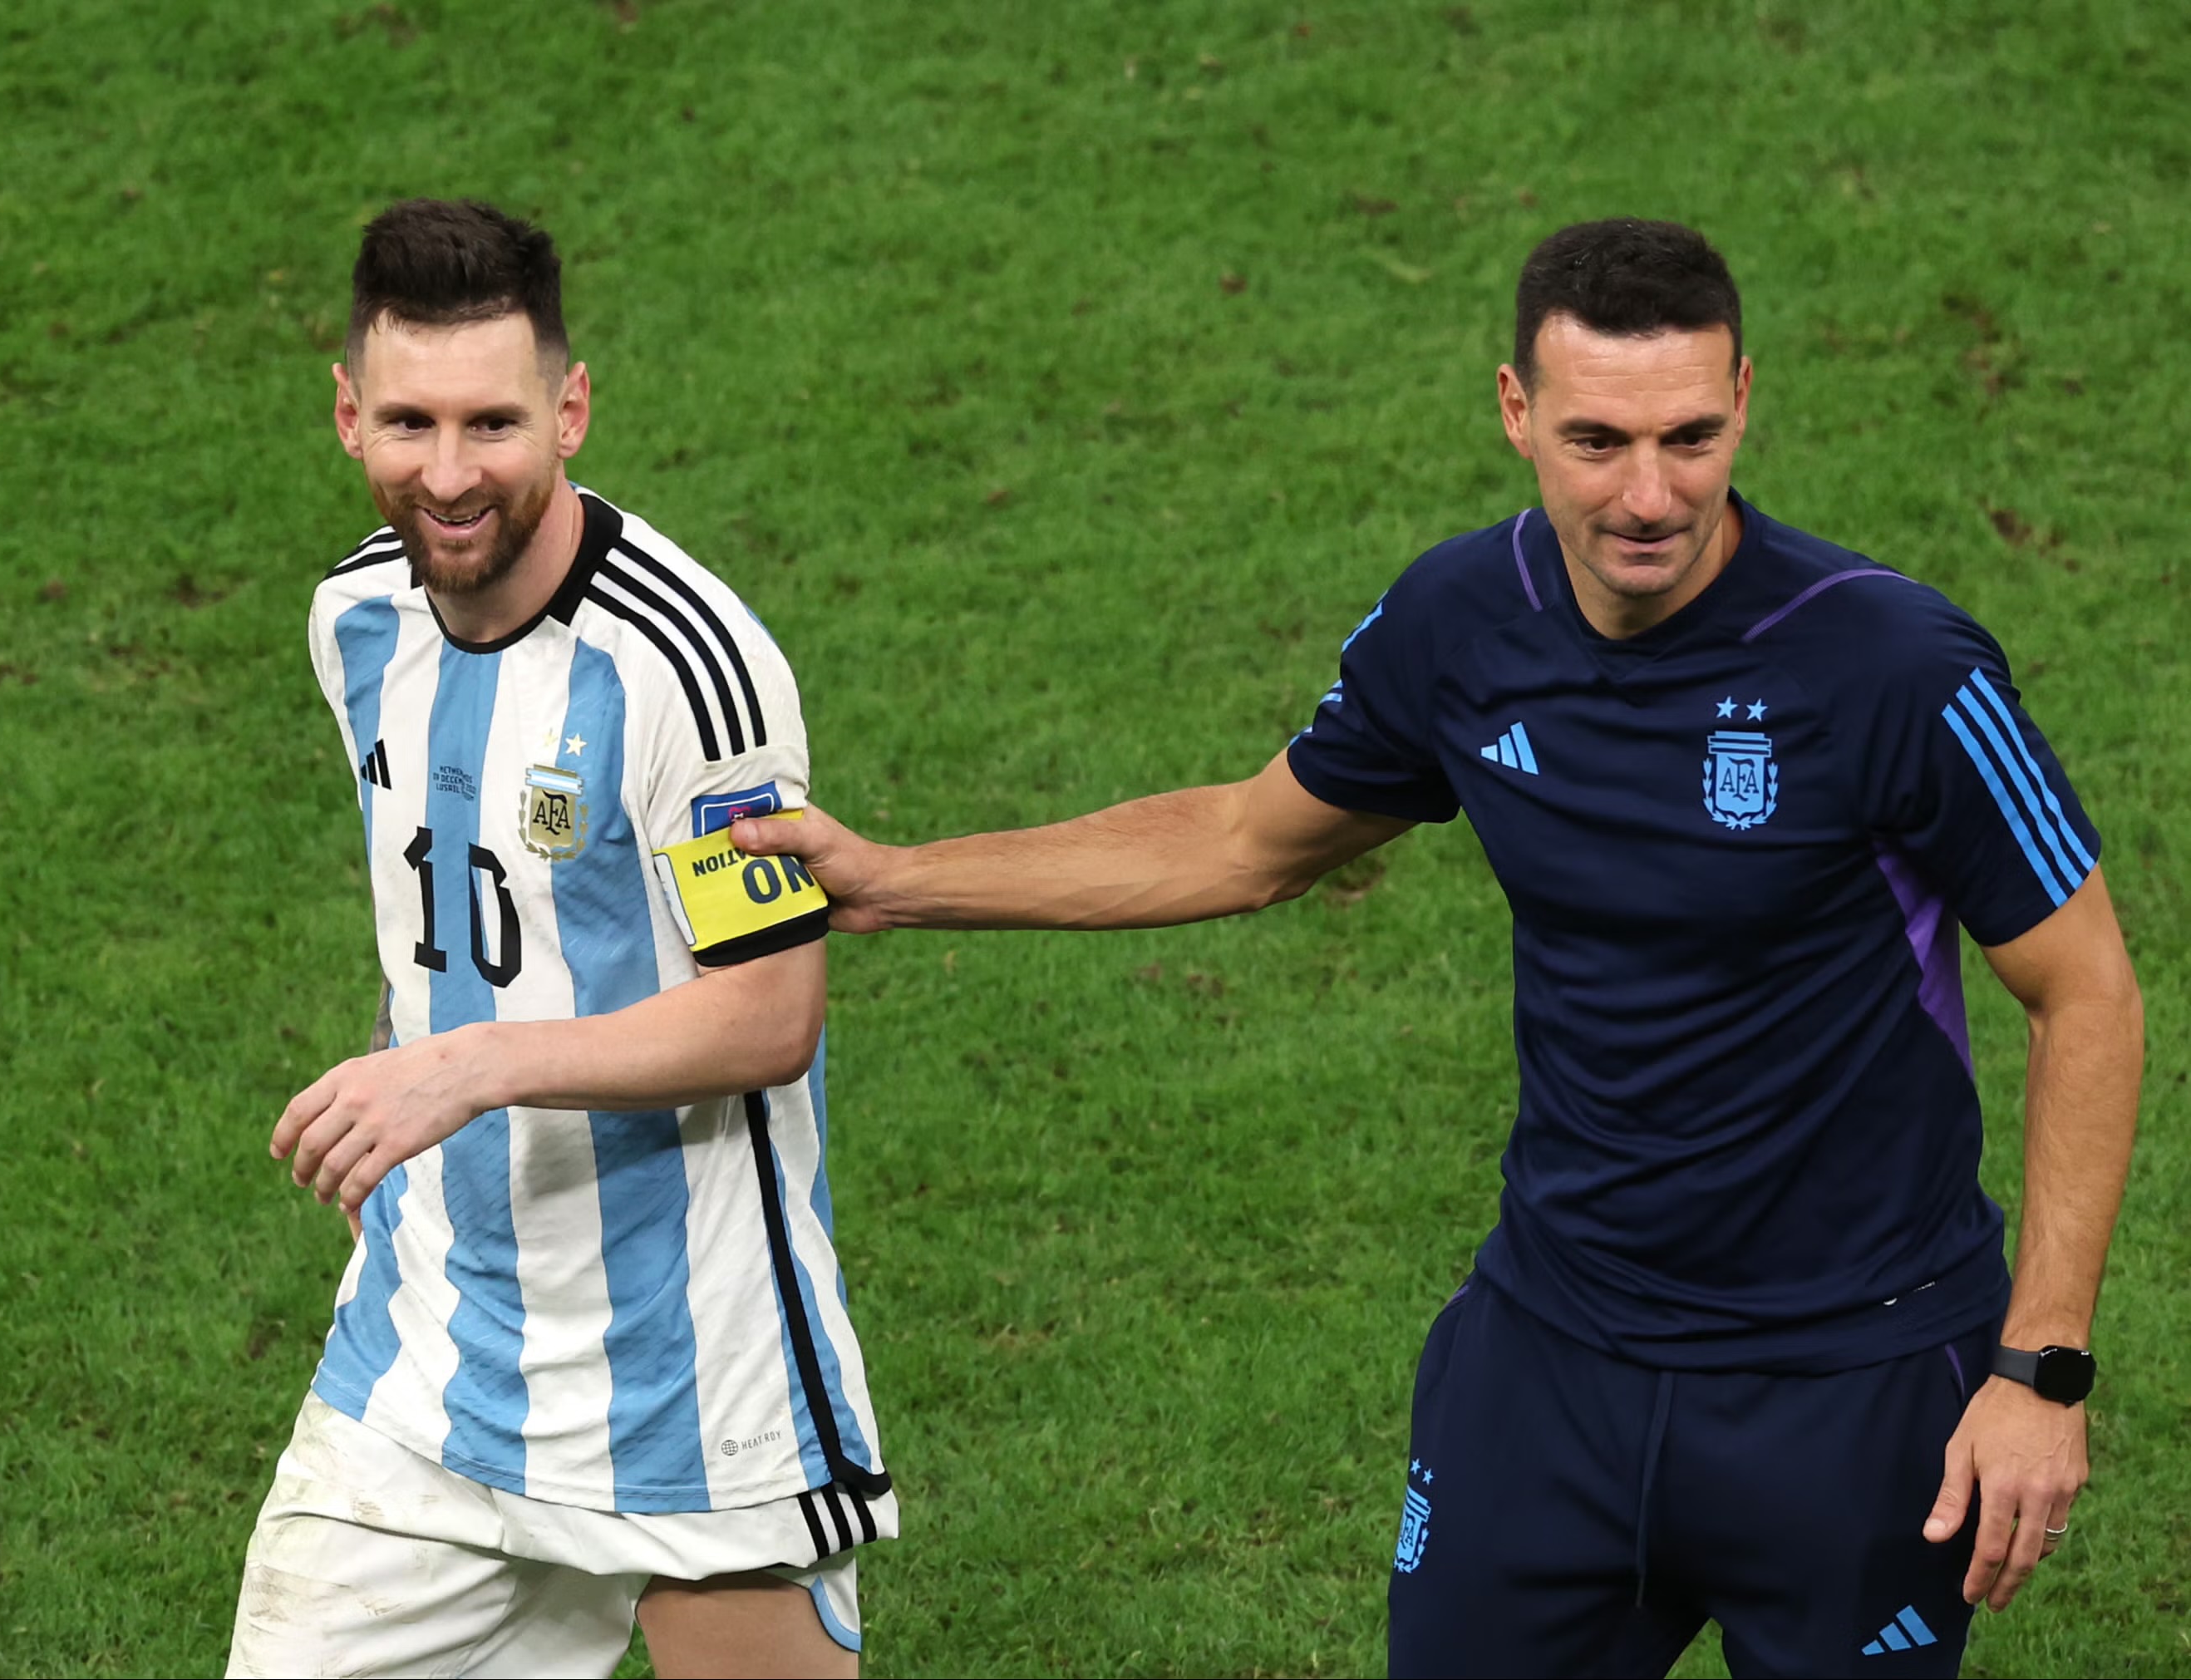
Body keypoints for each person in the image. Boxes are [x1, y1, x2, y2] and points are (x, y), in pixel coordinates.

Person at [728, 219, 2143, 1677]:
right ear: (1515, 411)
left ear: (1744, 403)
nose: (1648, 494)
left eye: (1690, 436)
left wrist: (2042, 1367)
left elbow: (2084, 987)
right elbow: (1243, 841)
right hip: (1554, 1357)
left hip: (1856, 1382)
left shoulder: (1896, 667)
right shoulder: (1461, 625)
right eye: (1596, 439)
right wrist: (895, 880)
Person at [234, 199, 891, 1679]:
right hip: (428, 1366)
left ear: (571, 409)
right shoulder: (353, 621)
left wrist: (466, 1070)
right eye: (408, 421)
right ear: (347, 413)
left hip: (685, 1378)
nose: (449, 475)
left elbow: (771, 1013)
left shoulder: (691, 672)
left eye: (493, 423)